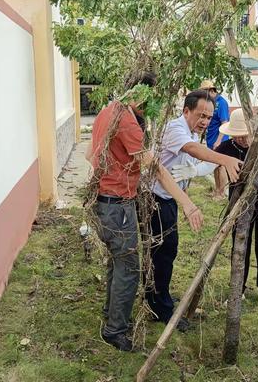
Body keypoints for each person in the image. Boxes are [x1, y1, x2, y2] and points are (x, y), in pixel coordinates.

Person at [86, 74, 204, 352]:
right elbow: (156, 169)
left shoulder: (108, 111)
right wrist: (187, 203)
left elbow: (91, 155)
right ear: (141, 93)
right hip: (117, 204)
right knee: (128, 267)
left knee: (117, 262)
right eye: (152, 99)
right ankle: (115, 330)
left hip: (104, 199)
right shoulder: (126, 121)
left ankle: (110, 311)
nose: (153, 106)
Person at [147, 90, 243, 331]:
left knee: (165, 252)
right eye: (201, 115)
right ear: (186, 111)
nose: (205, 121)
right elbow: (192, 149)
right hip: (157, 199)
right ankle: (162, 308)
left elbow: (193, 161)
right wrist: (224, 159)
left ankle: (158, 298)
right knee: (163, 253)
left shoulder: (189, 130)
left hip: (168, 198)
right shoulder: (175, 129)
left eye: (209, 118)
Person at [172, 108, 258, 307]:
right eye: (237, 136)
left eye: (244, 135)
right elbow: (210, 165)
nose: (241, 140)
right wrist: (193, 171)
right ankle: (237, 288)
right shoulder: (227, 146)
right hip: (239, 201)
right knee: (240, 245)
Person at [200, 80, 230, 198]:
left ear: (211, 90)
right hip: (211, 139)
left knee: (220, 166)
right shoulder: (210, 103)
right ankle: (217, 190)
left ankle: (221, 193)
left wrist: (218, 141)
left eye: (205, 92)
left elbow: (225, 123)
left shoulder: (221, 103)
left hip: (220, 140)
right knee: (214, 166)